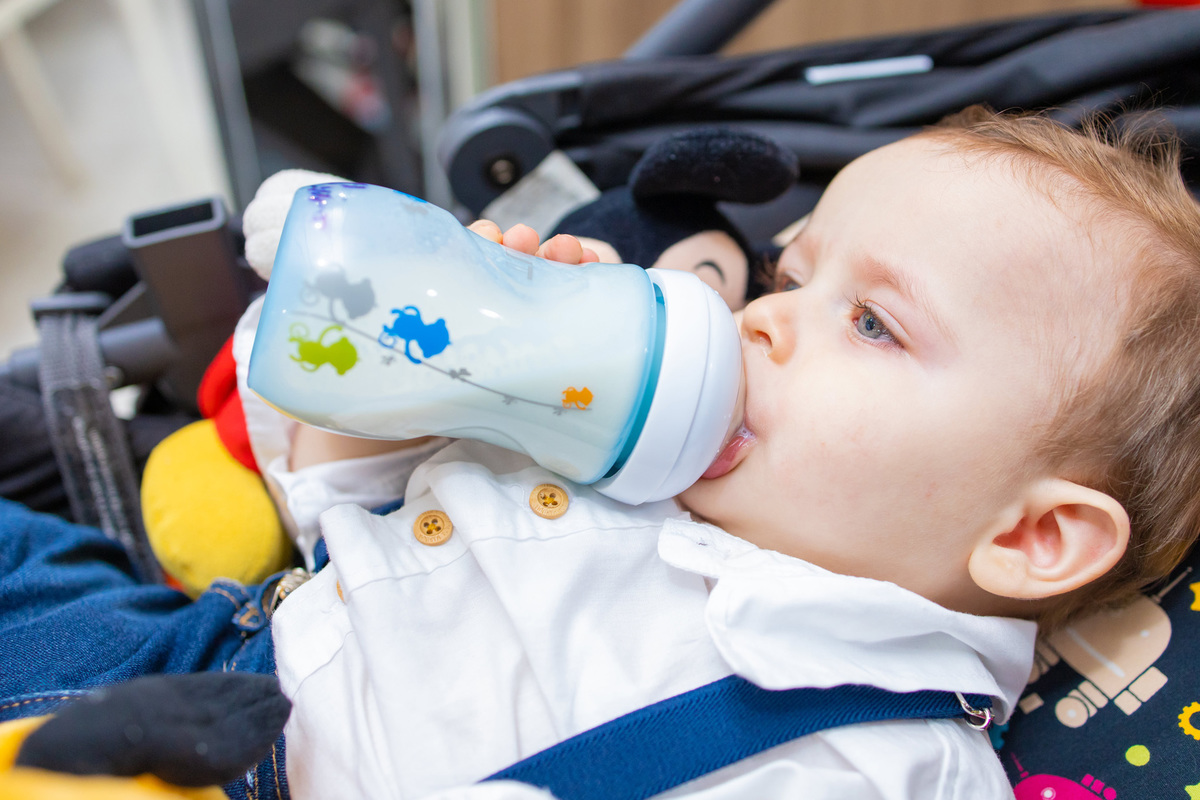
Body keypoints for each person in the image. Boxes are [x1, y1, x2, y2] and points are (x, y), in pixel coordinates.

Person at [3, 106, 1200, 800]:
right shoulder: (631, 459)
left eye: (874, 322)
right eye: (791, 273)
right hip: (201, 650)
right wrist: (451, 371)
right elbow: (334, 504)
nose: (764, 318)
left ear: (1032, 534)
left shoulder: (881, 758)